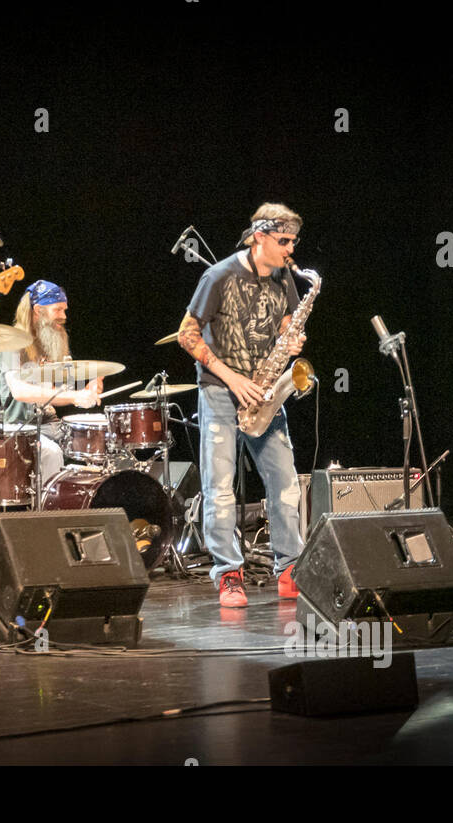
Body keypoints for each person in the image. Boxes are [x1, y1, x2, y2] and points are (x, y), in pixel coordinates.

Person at [178, 203, 307, 608]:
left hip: (265, 393)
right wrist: (232, 377)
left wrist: (293, 337)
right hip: (221, 391)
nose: (290, 249)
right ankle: (228, 573)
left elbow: (285, 320)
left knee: (286, 484)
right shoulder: (217, 276)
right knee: (219, 490)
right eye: (283, 241)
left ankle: (289, 568)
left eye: (293, 242)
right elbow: (187, 334)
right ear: (259, 237)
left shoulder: (285, 276)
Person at [0, 280, 103, 484]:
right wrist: (74, 395)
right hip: (20, 428)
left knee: (96, 447)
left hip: (50, 425)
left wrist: (82, 396)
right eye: (58, 309)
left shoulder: (47, 343)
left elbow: (52, 396)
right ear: (38, 310)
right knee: (51, 454)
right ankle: (49, 514)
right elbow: (19, 391)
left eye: (64, 309)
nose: (64, 316)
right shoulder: (12, 342)